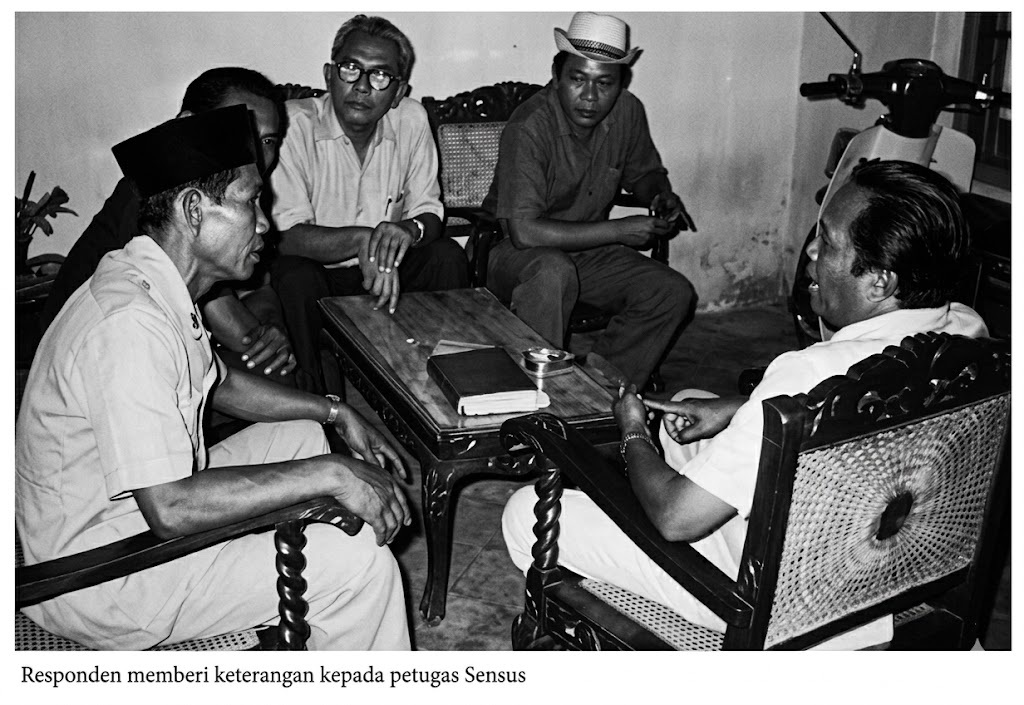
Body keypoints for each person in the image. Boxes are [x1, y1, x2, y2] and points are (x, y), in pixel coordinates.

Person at [502, 160, 988, 649]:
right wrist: (742, 406)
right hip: (878, 560)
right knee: (688, 408)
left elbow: (675, 519)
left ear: (880, 282)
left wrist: (632, 433)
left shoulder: (807, 373)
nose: (811, 251)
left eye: (828, 242)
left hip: (775, 599)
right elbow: (865, 403)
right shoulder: (970, 335)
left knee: (528, 512)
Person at [16, 105, 411, 650]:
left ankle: (312, 621)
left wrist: (334, 411)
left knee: (302, 434)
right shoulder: (129, 324)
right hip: (102, 577)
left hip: (128, 519)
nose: (266, 224)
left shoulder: (152, 281)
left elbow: (218, 381)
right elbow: (171, 508)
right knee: (361, 563)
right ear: (194, 210)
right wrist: (333, 474)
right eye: (251, 202)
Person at [40, 67, 297, 383]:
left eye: (267, 140)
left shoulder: (241, 199)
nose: (254, 150)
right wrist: (262, 341)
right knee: (280, 375)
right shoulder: (148, 195)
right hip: (97, 363)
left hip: (171, 344)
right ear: (186, 123)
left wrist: (272, 326)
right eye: (240, 129)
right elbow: (225, 324)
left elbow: (258, 287)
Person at [482, 12, 695, 391]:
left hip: (589, 252)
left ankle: (600, 387)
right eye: (577, 79)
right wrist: (618, 231)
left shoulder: (628, 111)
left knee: (671, 292)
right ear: (556, 76)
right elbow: (525, 233)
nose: (590, 97)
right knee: (553, 271)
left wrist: (659, 195)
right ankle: (539, 394)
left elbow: (643, 173)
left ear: (621, 83)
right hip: (511, 254)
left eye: (604, 83)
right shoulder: (529, 126)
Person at [271, 14, 469, 393]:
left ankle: (450, 384)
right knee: (294, 275)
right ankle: (317, 402)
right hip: (322, 272)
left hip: (390, 269)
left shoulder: (411, 119)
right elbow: (287, 237)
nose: (362, 86)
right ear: (329, 75)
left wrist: (409, 230)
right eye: (350, 69)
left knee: (446, 256)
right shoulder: (295, 124)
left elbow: (429, 211)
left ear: (398, 92)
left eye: (380, 76)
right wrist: (365, 239)